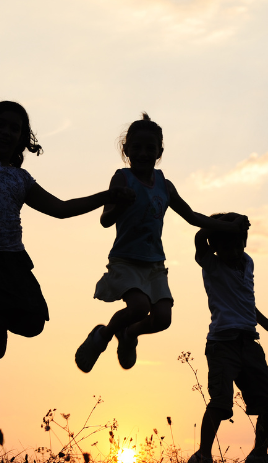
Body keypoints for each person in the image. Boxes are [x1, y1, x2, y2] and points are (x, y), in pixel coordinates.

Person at [0, 25, 134, 360]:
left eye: (15, 128)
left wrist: (106, 196)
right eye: (1, 124)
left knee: (34, 321)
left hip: (8, 259)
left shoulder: (21, 179)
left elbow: (62, 208)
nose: (7, 132)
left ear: (23, 139)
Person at [74, 114, 249, 372]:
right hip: (126, 261)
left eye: (150, 148)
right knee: (139, 308)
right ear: (126, 150)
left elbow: (192, 217)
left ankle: (129, 334)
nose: (143, 153)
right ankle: (103, 335)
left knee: (163, 320)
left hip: (154, 265)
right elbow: (105, 220)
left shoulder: (165, 186)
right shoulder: (122, 179)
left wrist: (229, 227)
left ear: (160, 152)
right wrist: (120, 204)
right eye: (137, 147)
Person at [187, 214, 268, 463]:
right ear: (215, 247)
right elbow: (199, 236)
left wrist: (266, 324)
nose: (232, 252)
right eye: (225, 247)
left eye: (237, 245)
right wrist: (228, 224)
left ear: (244, 242)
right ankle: (203, 456)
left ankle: (259, 454)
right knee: (221, 402)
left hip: (249, 343)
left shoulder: (248, 262)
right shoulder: (211, 264)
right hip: (222, 344)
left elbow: (246, 301)